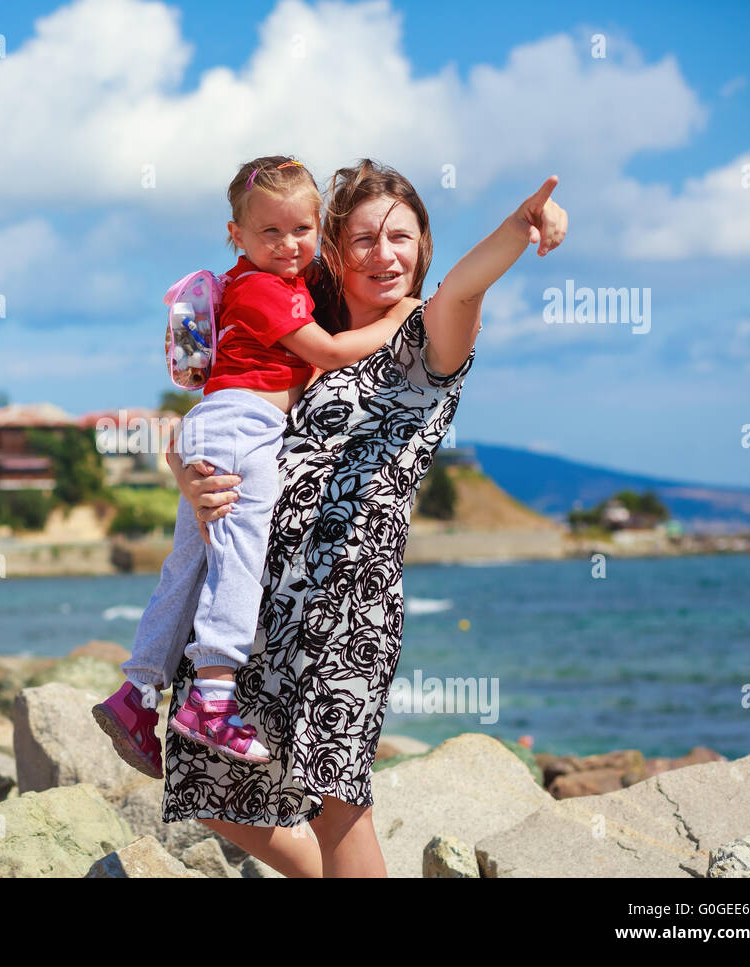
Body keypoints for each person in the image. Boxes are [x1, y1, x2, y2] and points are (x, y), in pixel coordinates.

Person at [159, 159, 567, 877]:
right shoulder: (297, 336)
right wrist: (186, 479)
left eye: (402, 238)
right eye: (367, 240)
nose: (387, 254)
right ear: (334, 255)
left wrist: (520, 224)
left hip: (347, 603)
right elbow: (207, 419)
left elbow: (468, 282)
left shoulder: (426, 334)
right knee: (208, 785)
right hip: (249, 598)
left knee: (336, 799)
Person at [92, 156, 415, 777]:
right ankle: (212, 697)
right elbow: (329, 350)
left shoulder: (283, 280)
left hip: (217, 424)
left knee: (187, 566)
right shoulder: (259, 288)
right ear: (235, 235)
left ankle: (136, 694)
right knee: (242, 553)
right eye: (271, 232)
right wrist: (400, 317)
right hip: (242, 427)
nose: (290, 245)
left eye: (303, 230)